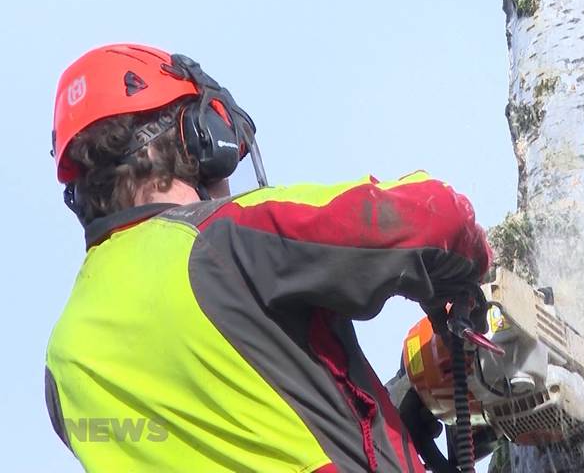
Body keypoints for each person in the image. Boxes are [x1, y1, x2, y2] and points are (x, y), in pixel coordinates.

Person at [45, 43, 492, 473]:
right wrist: (478, 266)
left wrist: (391, 418)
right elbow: (431, 219)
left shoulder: (65, 364)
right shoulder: (222, 240)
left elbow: (230, 436)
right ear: (198, 139)